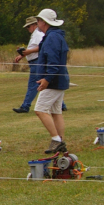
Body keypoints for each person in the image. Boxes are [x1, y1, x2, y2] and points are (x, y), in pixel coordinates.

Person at [32, 8, 71, 153]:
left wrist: (47, 79)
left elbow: (53, 62)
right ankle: (60, 140)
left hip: (53, 81)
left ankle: (56, 140)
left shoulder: (52, 38)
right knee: (56, 112)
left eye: (38, 21)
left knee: (40, 110)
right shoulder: (55, 36)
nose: (37, 24)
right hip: (59, 80)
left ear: (44, 22)